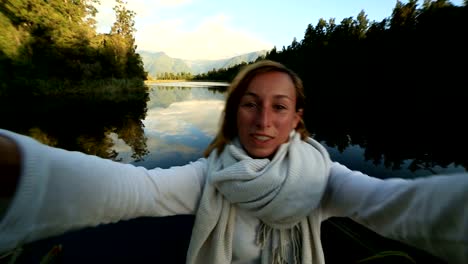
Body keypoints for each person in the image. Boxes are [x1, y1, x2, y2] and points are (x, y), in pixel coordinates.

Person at [0, 60, 467, 264]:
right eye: (250, 103)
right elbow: (137, 188)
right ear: (234, 111)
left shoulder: (323, 176)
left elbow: (394, 203)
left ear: (296, 119)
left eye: (279, 107)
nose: (263, 120)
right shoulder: (210, 174)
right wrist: (20, 163)